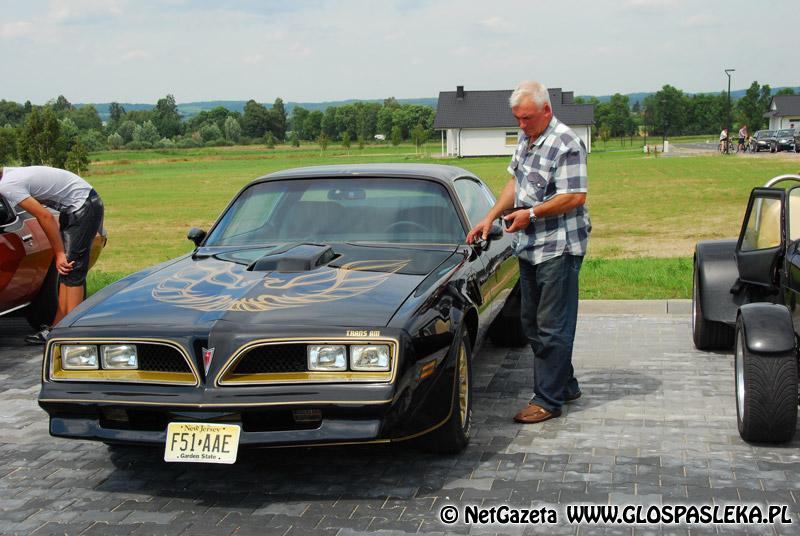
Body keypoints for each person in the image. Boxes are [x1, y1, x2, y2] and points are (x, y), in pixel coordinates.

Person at [466, 81, 590, 424]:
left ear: (546, 111)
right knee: (531, 324)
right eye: (517, 118)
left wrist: (531, 214)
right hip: (530, 246)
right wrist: (489, 218)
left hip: (558, 248)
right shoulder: (528, 138)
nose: (521, 125)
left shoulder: (566, 143)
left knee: (551, 326)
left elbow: (575, 196)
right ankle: (565, 384)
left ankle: (548, 400)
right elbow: (516, 184)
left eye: (527, 118)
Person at [0, 165, 104, 343]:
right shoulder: (9, 175)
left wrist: (59, 253)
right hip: (74, 206)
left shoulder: (7, 185)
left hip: (82, 205)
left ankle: (72, 334)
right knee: (66, 272)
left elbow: (45, 216)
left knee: (71, 270)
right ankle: (57, 329)